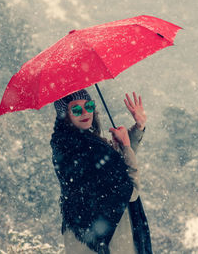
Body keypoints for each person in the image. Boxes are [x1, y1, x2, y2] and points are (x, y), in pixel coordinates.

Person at [50, 89, 152, 254]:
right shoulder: (81, 149)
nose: (85, 112)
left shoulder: (78, 143)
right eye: (76, 109)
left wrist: (138, 128)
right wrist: (125, 146)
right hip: (106, 238)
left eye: (88, 106)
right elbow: (130, 189)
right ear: (65, 115)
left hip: (95, 234)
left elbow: (117, 167)